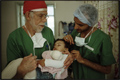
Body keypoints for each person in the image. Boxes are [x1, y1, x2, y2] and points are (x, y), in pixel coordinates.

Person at [5, 1, 73, 79]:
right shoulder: (15, 37)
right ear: (28, 15)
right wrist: (21, 71)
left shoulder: (48, 32)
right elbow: (9, 73)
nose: (45, 20)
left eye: (45, 16)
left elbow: (57, 52)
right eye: (40, 16)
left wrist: (67, 55)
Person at [63, 4, 116, 79]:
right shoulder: (75, 33)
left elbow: (107, 70)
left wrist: (83, 60)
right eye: (75, 22)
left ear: (90, 24)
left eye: (80, 25)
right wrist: (65, 42)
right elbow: (69, 51)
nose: (75, 27)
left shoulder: (103, 39)